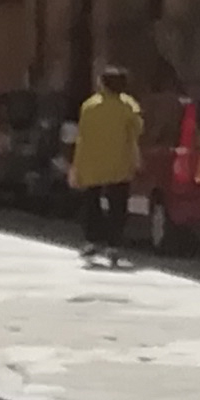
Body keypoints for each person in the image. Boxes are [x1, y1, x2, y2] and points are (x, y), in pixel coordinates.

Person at [70, 65, 142, 265]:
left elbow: (82, 137)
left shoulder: (90, 106)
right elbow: (136, 132)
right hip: (120, 162)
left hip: (92, 162)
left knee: (91, 201)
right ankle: (114, 245)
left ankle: (92, 240)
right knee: (117, 205)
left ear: (102, 83)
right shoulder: (129, 106)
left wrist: (75, 166)